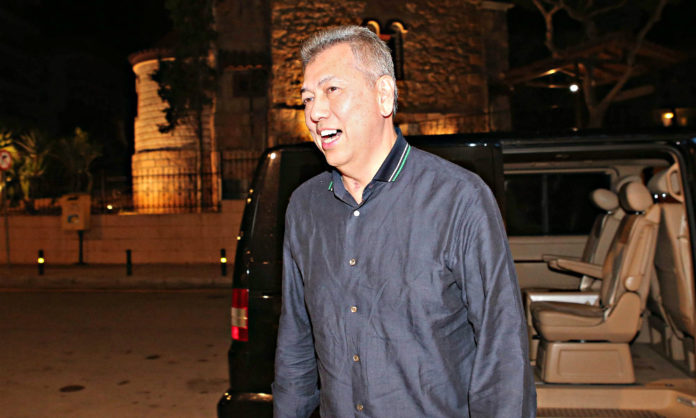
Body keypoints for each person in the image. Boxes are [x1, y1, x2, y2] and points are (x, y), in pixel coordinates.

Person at [273, 25, 536, 417]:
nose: (315, 112)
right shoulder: (304, 207)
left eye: (332, 90)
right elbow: (295, 342)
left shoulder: (458, 199)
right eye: (307, 98)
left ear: (383, 95)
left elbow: (502, 353)